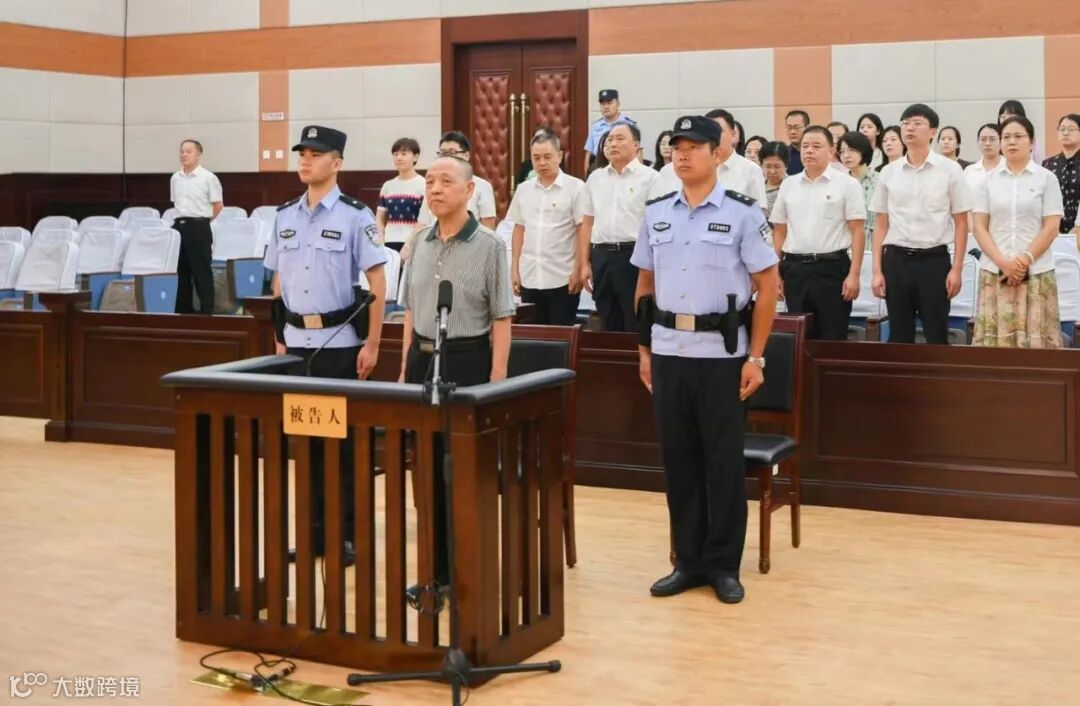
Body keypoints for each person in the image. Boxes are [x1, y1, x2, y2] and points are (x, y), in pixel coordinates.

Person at [632, 115, 779, 605]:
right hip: (669, 352)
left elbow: (767, 288)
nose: (682, 154)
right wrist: (644, 350)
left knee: (722, 463)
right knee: (679, 461)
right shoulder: (657, 212)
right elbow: (645, 286)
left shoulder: (743, 213)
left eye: (693, 146)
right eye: (676, 146)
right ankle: (688, 562)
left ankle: (723, 565)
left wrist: (756, 357)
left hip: (722, 356)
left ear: (717, 153)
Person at [265, 125, 388, 564]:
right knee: (306, 444)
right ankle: (314, 533)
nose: (305, 160)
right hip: (296, 345)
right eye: (302, 153)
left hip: (339, 345)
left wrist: (373, 344)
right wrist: (279, 339)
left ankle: (347, 536)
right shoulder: (284, 216)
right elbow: (278, 283)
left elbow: (377, 283)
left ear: (337, 162)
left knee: (342, 446)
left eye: (315, 154)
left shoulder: (356, 216)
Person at [399, 155, 515, 591]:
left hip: (467, 362)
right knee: (427, 470)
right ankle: (435, 572)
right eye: (429, 181)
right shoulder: (419, 241)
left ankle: (469, 570)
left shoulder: (490, 245)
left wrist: (497, 379)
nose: (435, 189)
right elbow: (411, 311)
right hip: (422, 360)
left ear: (470, 191)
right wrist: (404, 367)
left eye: (445, 181)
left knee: (463, 471)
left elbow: (502, 316)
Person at [871, 104, 973, 344]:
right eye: (905, 123)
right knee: (899, 334)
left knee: (936, 333)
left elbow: (961, 222)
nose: (909, 128)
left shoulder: (950, 170)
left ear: (932, 131)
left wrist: (957, 269)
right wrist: (877, 271)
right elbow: (881, 223)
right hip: (896, 260)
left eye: (917, 123)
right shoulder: (889, 172)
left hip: (933, 261)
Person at [972, 115, 1064, 348]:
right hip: (995, 272)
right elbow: (980, 227)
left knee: (1037, 351)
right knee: (995, 353)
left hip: (1036, 272)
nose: (1011, 141)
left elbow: (1052, 226)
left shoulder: (1047, 179)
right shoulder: (987, 181)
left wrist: (1024, 260)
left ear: (1032, 142)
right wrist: (1003, 263)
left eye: (1018, 136)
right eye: (1006, 137)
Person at [771, 125, 866, 340]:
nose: (809, 151)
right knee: (799, 338)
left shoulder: (847, 184)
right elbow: (779, 231)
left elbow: (857, 231)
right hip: (794, 270)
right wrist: (775, 273)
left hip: (832, 269)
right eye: (805, 146)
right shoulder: (788, 185)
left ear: (831, 151)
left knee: (833, 337)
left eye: (816, 146)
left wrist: (854, 274)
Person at [580, 122, 658, 331]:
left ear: (636, 145)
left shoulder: (650, 178)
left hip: (634, 257)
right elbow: (587, 223)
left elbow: (656, 225)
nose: (613, 144)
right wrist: (584, 263)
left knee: (636, 320)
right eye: (610, 140)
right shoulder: (595, 178)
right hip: (601, 257)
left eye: (620, 139)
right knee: (607, 320)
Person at [510, 132, 586, 325]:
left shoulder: (576, 188)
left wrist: (578, 268)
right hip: (530, 276)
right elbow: (519, 228)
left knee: (561, 336)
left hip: (563, 277)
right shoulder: (523, 189)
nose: (541, 163)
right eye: (536, 158)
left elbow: (582, 230)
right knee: (533, 336)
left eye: (547, 157)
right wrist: (515, 268)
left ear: (560, 156)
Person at [652, 109, 768, 216]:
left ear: (733, 135)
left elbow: (757, 216)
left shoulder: (750, 170)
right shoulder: (668, 171)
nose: (714, 137)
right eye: (678, 148)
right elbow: (657, 213)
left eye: (719, 132)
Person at [171, 139, 222, 315]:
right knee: (181, 272)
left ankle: (207, 313)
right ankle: (183, 312)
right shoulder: (175, 178)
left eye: (189, 151)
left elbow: (218, 205)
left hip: (199, 226)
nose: (184, 155)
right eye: (182, 151)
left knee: (201, 271)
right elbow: (175, 203)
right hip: (179, 227)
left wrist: (203, 222)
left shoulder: (208, 178)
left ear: (198, 155)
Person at [415, 131, 497, 233]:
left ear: (466, 155)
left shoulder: (482, 186)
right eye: (442, 153)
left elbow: (488, 225)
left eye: (452, 153)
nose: (446, 157)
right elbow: (422, 223)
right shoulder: (432, 185)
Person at [376, 137, 425, 250]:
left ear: (416, 156)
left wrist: (408, 245)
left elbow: (424, 220)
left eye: (404, 154)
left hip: (415, 243)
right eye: (395, 154)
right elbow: (379, 217)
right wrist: (381, 240)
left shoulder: (423, 185)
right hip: (389, 242)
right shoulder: (388, 185)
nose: (399, 158)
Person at [838, 131, 879, 244]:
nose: (846, 155)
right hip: (847, 246)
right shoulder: (840, 183)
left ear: (864, 150)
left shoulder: (880, 181)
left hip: (875, 245)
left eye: (851, 150)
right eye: (842, 151)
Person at [1043, 114, 1080, 237]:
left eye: (1071, 129)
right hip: (1053, 232)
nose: (1066, 133)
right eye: (1062, 129)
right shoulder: (1048, 164)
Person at [584, 89, 637, 172]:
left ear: (618, 104)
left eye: (609, 103)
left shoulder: (629, 125)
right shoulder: (595, 126)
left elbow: (637, 151)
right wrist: (587, 175)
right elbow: (589, 154)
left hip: (623, 168)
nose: (606, 107)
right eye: (603, 104)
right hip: (599, 167)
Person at [759, 141, 789, 221]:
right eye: (768, 166)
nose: (772, 171)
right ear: (761, 165)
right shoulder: (756, 185)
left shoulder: (792, 187)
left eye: (777, 167)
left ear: (786, 166)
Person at [784, 110, 810, 174]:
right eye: (789, 128)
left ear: (807, 127)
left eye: (796, 127)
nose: (792, 132)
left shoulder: (814, 153)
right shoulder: (783, 154)